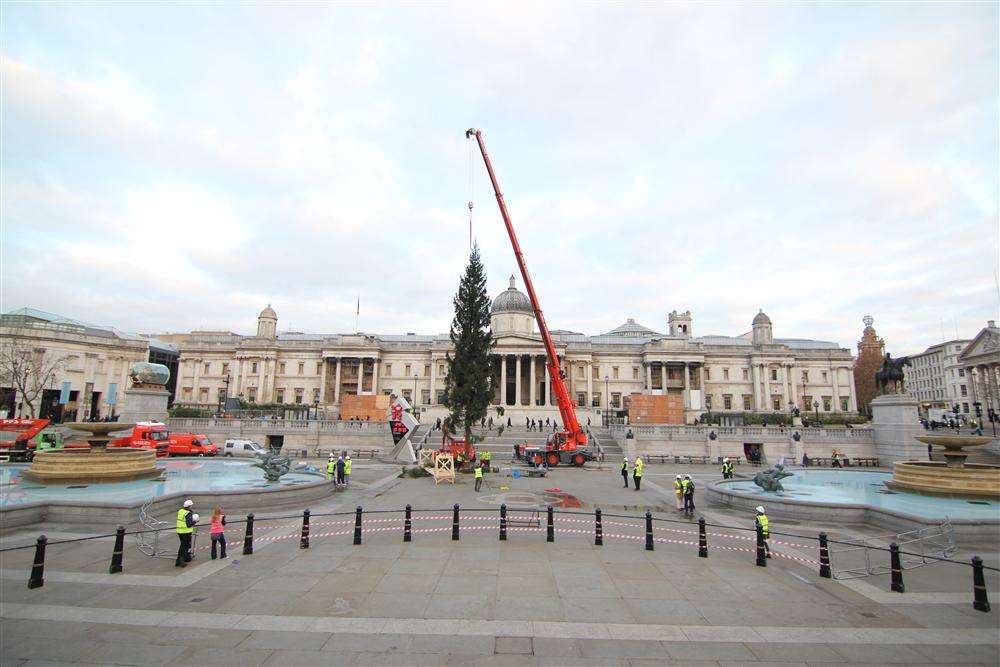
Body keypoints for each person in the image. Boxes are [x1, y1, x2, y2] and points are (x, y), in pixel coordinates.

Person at [175, 499, 197, 567]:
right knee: (185, 547)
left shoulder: (180, 511)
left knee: (182, 546)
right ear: (189, 506)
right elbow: (189, 524)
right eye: (191, 506)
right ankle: (182, 561)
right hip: (186, 532)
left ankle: (178, 561)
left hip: (179, 531)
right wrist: (195, 521)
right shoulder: (188, 513)